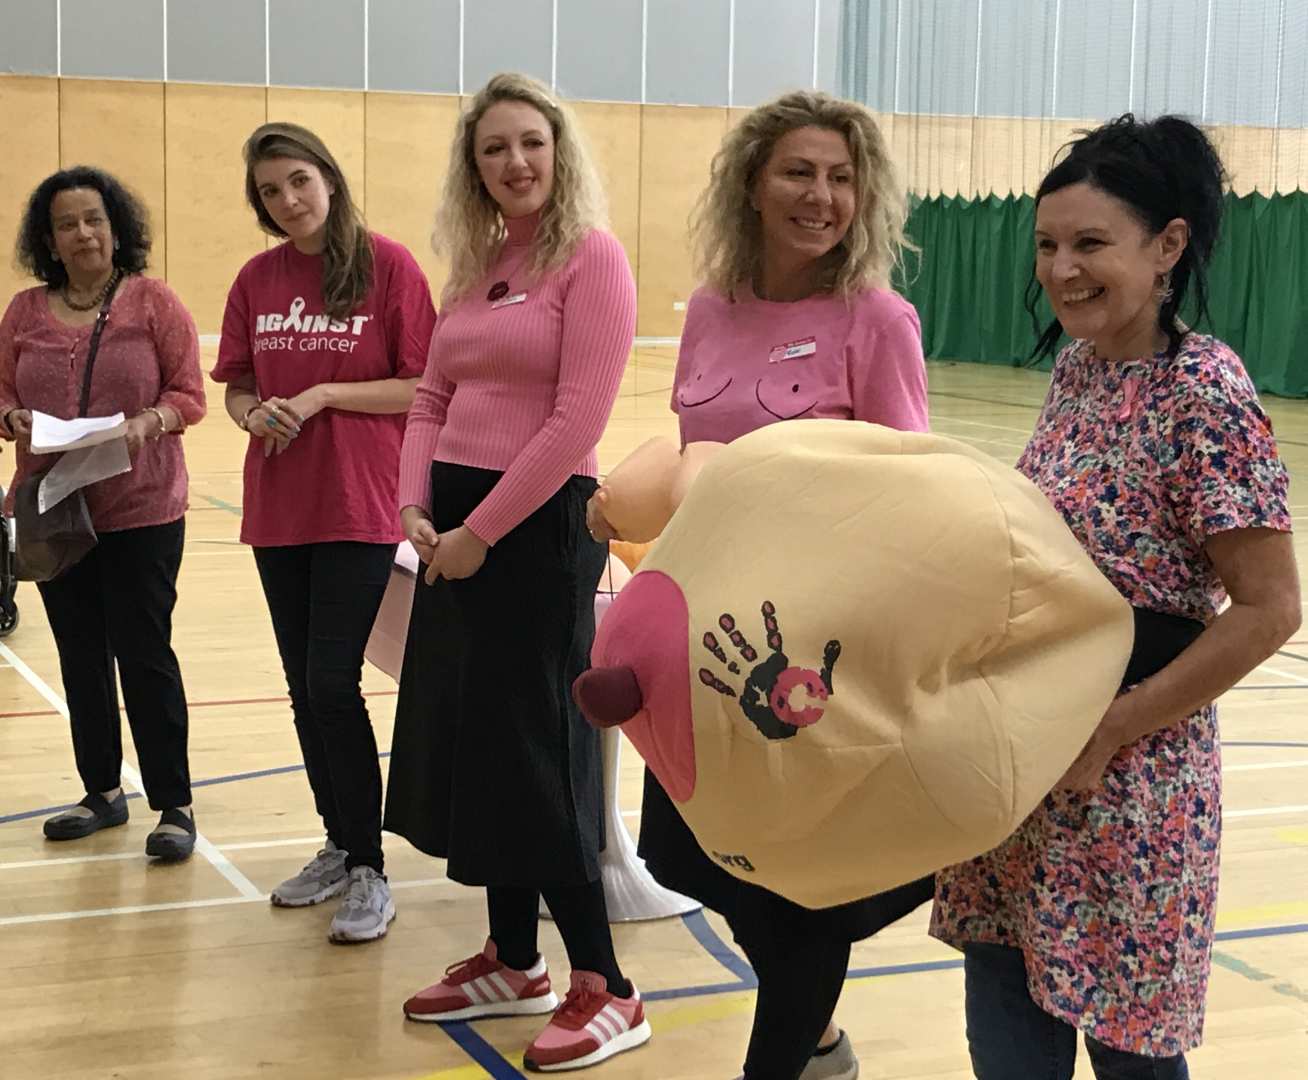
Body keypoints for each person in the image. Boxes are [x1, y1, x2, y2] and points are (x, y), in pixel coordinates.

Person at [930, 114, 1301, 1080]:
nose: (1063, 269)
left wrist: (1112, 729)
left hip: (1129, 784)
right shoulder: (1076, 371)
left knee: (1131, 1053)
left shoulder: (1204, 391)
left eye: (1091, 244)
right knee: (1009, 1038)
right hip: (1024, 765)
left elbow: (1271, 610)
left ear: (1168, 244)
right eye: (1049, 245)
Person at [587, 89, 933, 1080]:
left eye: (840, 176)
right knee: (699, 861)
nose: (821, 195)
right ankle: (821, 1039)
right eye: (798, 172)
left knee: (799, 891)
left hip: (813, 656)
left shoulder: (878, 319)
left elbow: (906, 496)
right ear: (752, 182)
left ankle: (785, 1062)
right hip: (705, 643)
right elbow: (697, 464)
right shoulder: (709, 310)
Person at [383, 73, 649, 1072]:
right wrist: (416, 510)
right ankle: (515, 958)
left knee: (539, 755)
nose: (515, 163)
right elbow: (427, 400)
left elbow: (576, 422)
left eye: (531, 143)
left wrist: (480, 534)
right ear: (474, 166)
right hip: (454, 531)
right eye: (495, 149)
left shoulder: (595, 260)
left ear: (559, 150)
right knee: (480, 747)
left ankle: (607, 986)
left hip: (531, 542)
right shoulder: (481, 263)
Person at [211, 122, 436, 943]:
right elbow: (235, 387)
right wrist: (256, 412)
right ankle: (341, 843)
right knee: (304, 687)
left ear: (329, 180)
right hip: (279, 507)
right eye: (270, 192)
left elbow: (419, 387)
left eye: (298, 181)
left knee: (334, 682)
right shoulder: (256, 278)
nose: (287, 201)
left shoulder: (389, 266)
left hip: (358, 504)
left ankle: (371, 866)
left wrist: (323, 395)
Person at [0, 166, 205, 860]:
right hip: (55, 508)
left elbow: (190, 394)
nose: (82, 233)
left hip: (141, 508)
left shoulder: (153, 302)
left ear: (117, 229)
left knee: (144, 655)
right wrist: (12, 416)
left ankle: (172, 803)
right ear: (48, 241)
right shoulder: (25, 312)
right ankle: (102, 792)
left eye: (94, 219)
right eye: (66, 224)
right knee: (80, 656)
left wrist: (151, 420)